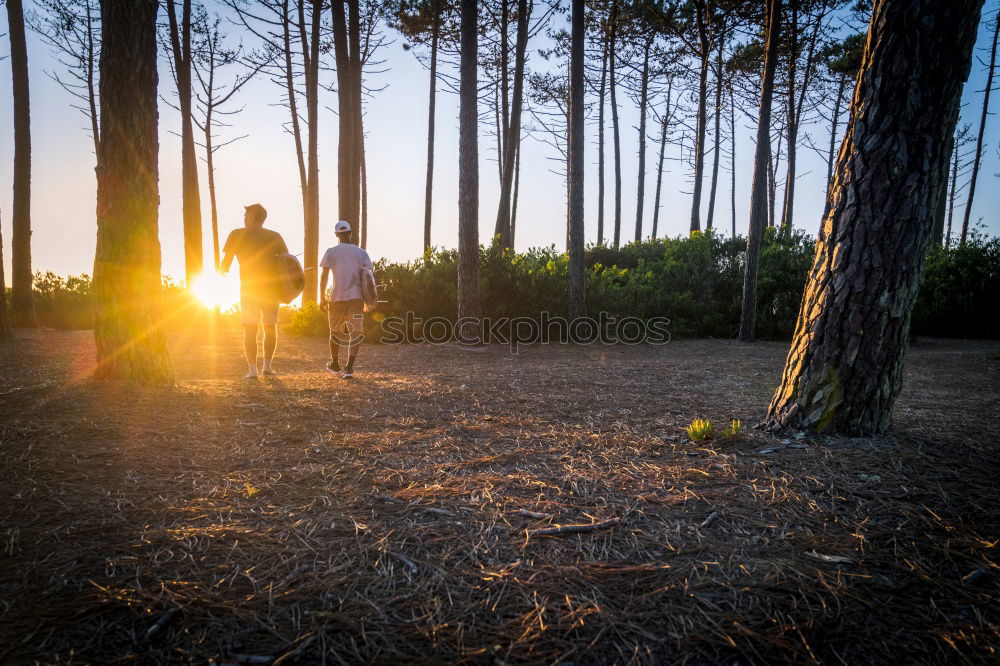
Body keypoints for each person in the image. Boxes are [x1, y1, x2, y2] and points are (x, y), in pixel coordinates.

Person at [221, 203, 289, 379]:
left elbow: (225, 263)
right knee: (270, 327)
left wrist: (224, 269)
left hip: (249, 288)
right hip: (271, 290)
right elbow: (287, 263)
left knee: (250, 329)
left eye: (246, 215)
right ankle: (267, 367)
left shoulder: (236, 234)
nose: (244, 218)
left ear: (253, 216)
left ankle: (252, 370)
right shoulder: (275, 236)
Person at [320, 220, 373, 379]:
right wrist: (370, 300)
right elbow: (369, 279)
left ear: (336, 235)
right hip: (356, 299)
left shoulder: (330, 252)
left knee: (334, 331)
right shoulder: (361, 253)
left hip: (336, 298)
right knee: (355, 332)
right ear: (350, 233)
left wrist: (321, 296)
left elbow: (324, 276)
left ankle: (335, 364)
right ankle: (349, 368)